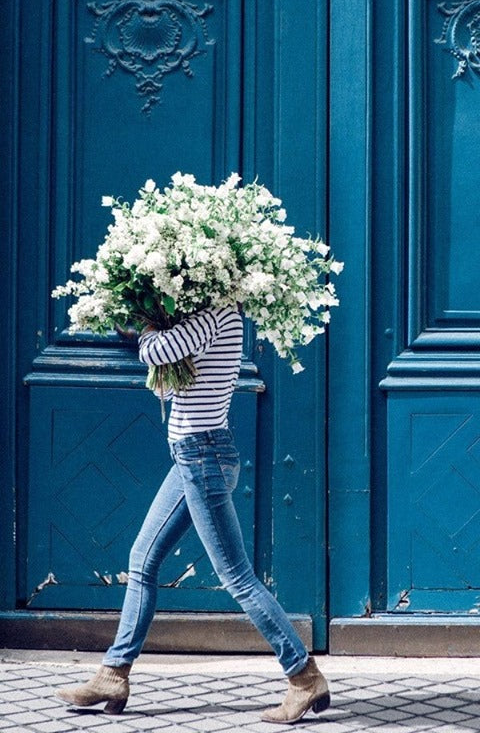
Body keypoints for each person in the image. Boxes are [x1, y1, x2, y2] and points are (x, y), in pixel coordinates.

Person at [56, 305, 330, 723]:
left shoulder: (217, 315)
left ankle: (304, 677)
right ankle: (114, 673)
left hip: (203, 459)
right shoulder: (199, 319)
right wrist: (159, 334)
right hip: (191, 458)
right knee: (142, 560)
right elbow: (168, 387)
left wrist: (146, 330)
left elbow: (157, 352)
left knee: (236, 577)